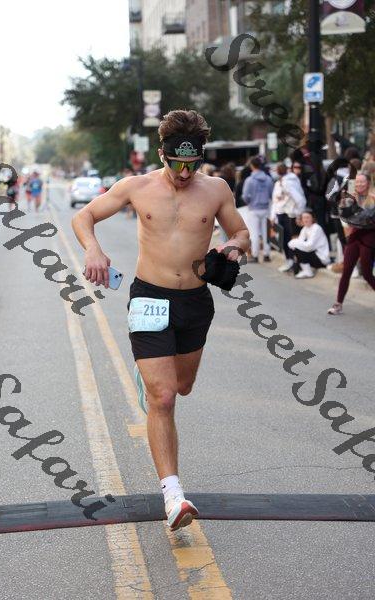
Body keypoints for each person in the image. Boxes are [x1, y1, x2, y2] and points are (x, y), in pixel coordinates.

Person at [71, 109, 250, 531]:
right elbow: (84, 217)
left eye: (193, 164)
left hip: (195, 302)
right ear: (162, 154)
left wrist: (234, 247)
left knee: (182, 387)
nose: (185, 173)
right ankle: (173, 495)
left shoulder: (216, 189)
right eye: (176, 164)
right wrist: (93, 249)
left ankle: (149, 377)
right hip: (150, 298)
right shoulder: (137, 186)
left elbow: (241, 232)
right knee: (164, 398)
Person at [328, 172, 375, 314]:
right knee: (346, 270)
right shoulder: (350, 198)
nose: (359, 184)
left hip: (369, 236)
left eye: (362, 182)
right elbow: (345, 217)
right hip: (354, 235)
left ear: (368, 183)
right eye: (357, 182)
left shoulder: (372, 199)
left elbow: (365, 217)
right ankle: (338, 304)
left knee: (367, 273)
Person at [271, 163, 306, 272]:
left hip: (289, 215)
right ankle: (290, 261)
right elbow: (275, 200)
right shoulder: (280, 182)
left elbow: (300, 199)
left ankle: (295, 263)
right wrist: (273, 215)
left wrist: (298, 213)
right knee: (285, 239)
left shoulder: (288, 182)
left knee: (290, 240)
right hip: (282, 213)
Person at [242, 155, 274, 263]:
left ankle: (255, 255)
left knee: (254, 233)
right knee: (266, 233)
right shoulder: (268, 179)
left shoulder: (249, 180)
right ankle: (266, 255)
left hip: (254, 209)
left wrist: (249, 202)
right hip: (266, 208)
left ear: (252, 166)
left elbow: (245, 196)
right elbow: (272, 194)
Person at [287, 209, 330, 278]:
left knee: (298, 248)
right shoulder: (305, 228)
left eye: (307, 218)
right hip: (313, 255)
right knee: (296, 247)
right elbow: (299, 242)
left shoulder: (316, 228)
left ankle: (308, 272)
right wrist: (294, 243)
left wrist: (294, 242)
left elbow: (309, 246)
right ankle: (302, 268)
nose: (305, 220)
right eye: (304, 218)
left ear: (312, 218)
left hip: (321, 259)